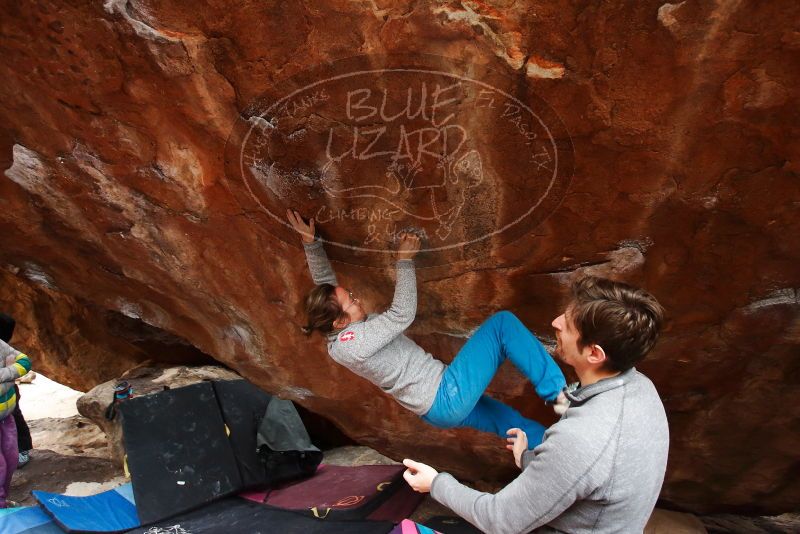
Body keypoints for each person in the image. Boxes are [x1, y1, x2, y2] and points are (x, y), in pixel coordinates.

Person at [403, 276, 669, 534]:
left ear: (594, 353)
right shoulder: (641, 387)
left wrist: (436, 483)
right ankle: (559, 398)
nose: (556, 322)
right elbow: (584, 473)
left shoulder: (582, 439)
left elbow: (499, 520)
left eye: (569, 324)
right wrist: (528, 457)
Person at [288, 210, 567, 447]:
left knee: (510, 423)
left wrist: (311, 245)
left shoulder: (337, 332)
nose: (356, 300)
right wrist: (405, 261)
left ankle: (556, 451)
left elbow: (327, 288)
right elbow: (401, 315)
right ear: (339, 323)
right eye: (351, 302)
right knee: (502, 325)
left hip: (436, 407)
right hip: (445, 396)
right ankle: (560, 393)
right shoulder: (351, 342)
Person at [0, 313, 32, 508]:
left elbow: (25, 362)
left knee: (11, 460)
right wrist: (9, 380)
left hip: (6, 418)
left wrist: (4, 374)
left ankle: (3, 499)